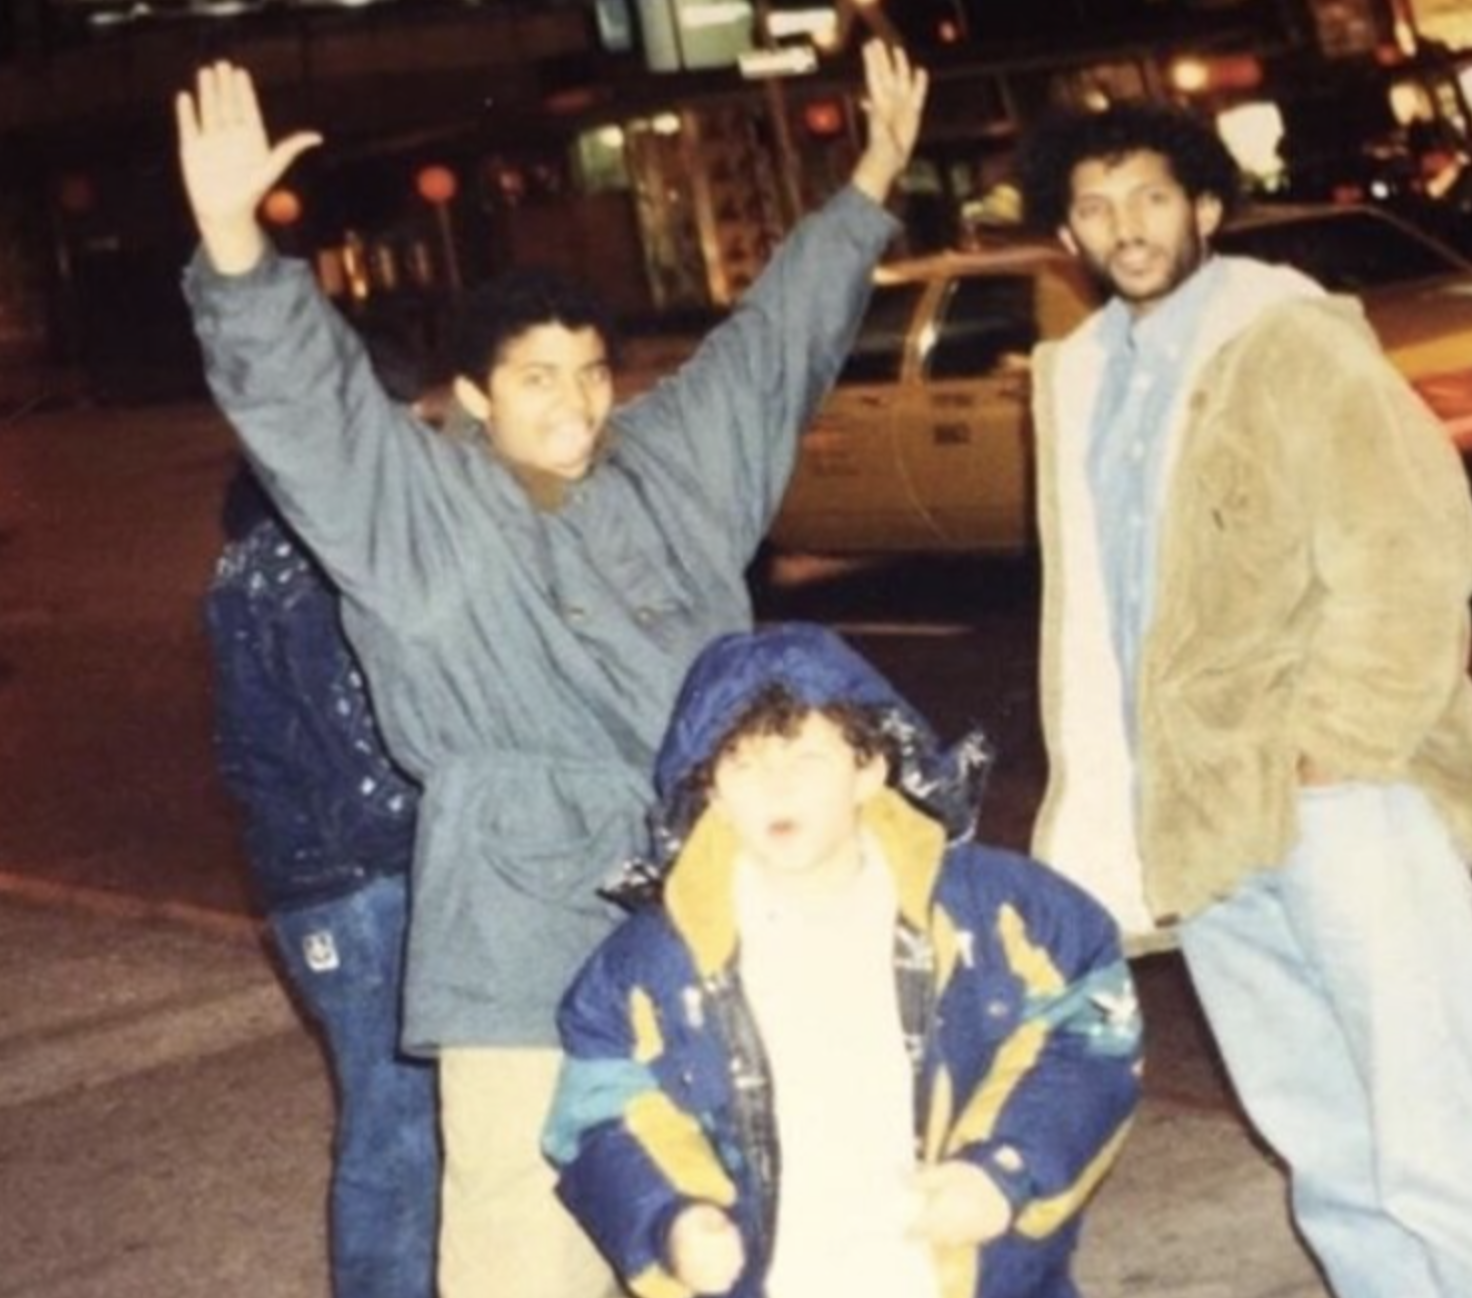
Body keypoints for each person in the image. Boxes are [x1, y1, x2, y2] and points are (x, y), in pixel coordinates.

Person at [174, 43, 928, 1298]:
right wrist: (234, 246)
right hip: (517, 926)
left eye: (589, 372)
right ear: (474, 395)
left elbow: (775, 345)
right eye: (537, 380)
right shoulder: (415, 511)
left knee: (727, 1212)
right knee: (524, 1238)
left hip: (711, 906)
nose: (575, 404)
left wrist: (874, 179)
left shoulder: (670, 470)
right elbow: (309, 404)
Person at [1017, 103, 1472, 1298]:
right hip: (1200, 808)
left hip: (1336, 796)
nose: (1124, 228)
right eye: (1094, 207)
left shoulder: (1284, 338)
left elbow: (1409, 543)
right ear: (1068, 234)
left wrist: (1337, 745)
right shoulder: (1081, 378)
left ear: (1206, 207)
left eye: (1147, 197)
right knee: (1324, 1141)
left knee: (1442, 1125)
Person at [542, 622, 1142, 1298]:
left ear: (869, 769)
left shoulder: (994, 910)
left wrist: (1007, 1169)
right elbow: (599, 1111)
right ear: (709, 790)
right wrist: (669, 1220)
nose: (776, 788)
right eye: (742, 763)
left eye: (806, 760)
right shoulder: (651, 966)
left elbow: (1090, 1022)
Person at [205, 467, 438, 1298]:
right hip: (361, 886)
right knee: (397, 1121)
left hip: (316, 890)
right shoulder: (304, 570)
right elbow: (363, 764)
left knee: (392, 1112)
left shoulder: (247, 567)